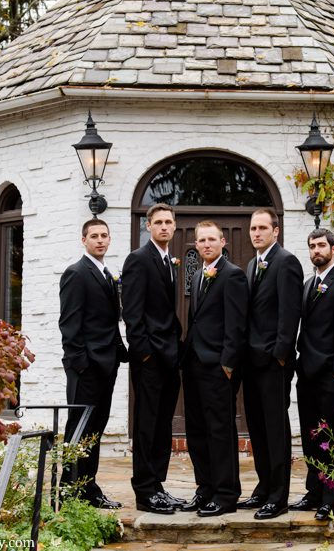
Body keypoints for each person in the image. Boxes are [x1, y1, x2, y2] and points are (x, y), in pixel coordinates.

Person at [237, 208, 303, 519]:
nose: (257, 233)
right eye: (253, 228)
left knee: (275, 430)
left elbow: (290, 315)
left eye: (263, 228)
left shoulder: (286, 262)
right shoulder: (252, 264)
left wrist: (279, 355)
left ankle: (279, 496)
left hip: (273, 363)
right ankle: (263, 487)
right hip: (250, 362)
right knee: (258, 429)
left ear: (275, 231)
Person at [181, 221, 249, 518]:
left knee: (220, 431)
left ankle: (226, 494)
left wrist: (228, 366)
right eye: (201, 240)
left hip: (218, 368)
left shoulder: (233, 275)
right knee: (196, 430)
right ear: (196, 245)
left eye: (212, 239)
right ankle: (205, 488)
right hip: (193, 365)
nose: (206, 244)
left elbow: (237, 324)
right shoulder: (196, 275)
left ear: (223, 242)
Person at [121, 203, 186, 515]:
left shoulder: (168, 261)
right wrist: (145, 354)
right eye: (158, 222)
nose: (163, 227)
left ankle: (158, 486)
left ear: (174, 227)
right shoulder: (138, 260)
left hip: (169, 358)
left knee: (162, 426)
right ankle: (145, 492)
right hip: (150, 360)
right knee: (147, 426)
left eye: (168, 222)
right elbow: (132, 314)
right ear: (148, 226)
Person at [59, 218, 127, 509]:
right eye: (94, 236)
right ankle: (69, 492)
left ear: (109, 240)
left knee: (95, 431)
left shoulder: (106, 273)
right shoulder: (77, 273)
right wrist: (80, 364)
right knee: (79, 431)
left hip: (106, 365)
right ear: (83, 239)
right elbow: (69, 324)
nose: (100, 240)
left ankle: (88, 488)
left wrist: (120, 353)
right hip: (86, 369)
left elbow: (109, 322)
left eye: (104, 235)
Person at [292, 228, 334, 521]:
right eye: (312, 246)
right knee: (309, 436)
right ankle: (314, 491)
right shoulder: (308, 284)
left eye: (321, 245)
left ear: (333, 248)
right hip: (306, 373)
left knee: (329, 438)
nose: (316, 250)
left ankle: (331, 497)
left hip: (330, 375)